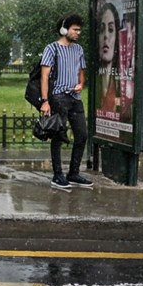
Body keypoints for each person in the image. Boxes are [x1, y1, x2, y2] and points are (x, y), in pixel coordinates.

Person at [40, 14, 94, 191]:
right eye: (75, 29)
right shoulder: (52, 48)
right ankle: (57, 175)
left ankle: (73, 172)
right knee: (58, 135)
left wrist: (81, 84)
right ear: (64, 29)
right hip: (58, 97)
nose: (78, 32)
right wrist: (45, 101)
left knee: (82, 135)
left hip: (75, 98)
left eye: (79, 29)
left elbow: (81, 71)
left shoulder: (78, 49)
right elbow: (44, 76)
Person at [96, 2, 122, 115]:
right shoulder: (95, 81)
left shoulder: (123, 84)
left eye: (111, 29)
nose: (106, 36)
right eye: (102, 30)